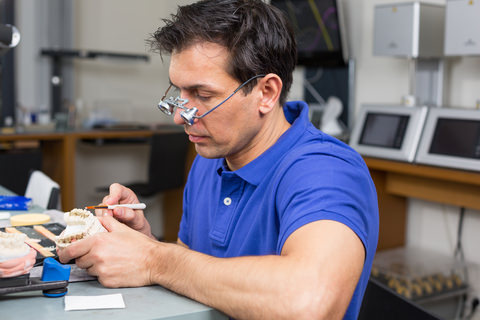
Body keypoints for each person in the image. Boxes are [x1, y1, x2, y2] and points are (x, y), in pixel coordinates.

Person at [57, 0, 379, 319]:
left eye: (202, 95)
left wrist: (154, 259)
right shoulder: (211, 157)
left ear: (266, 93)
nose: (180, 117)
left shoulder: (327, 171)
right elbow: (193, 269)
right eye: (179, 93)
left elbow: (309, 303)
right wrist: (143, 243)